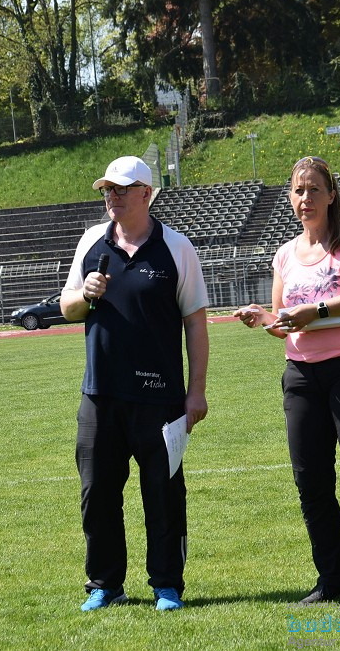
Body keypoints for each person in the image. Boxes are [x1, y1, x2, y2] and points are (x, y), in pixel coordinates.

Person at [233, 155, 340, 611]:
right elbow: (286, 322)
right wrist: (264, 319)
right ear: (290, 197)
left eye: (314, 189)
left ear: (331, 195)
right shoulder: (284, 254)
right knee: (311, 482)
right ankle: (331, 579)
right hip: (302, 373)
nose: (305, 198)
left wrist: (319, 310)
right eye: (298, 190)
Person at [60, 156, 210, 613]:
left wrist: (196, 391)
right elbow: (67, 306)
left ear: (147, 193)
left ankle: (166, 584)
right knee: (97, 495)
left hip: (161, 399)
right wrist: (84, 294)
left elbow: (196, 324)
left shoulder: (177, 247)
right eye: (107, 190)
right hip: (100, 396)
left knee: (164, 495)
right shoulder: (92, 242)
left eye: (122, 189)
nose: (113, 197)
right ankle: (105, 584)